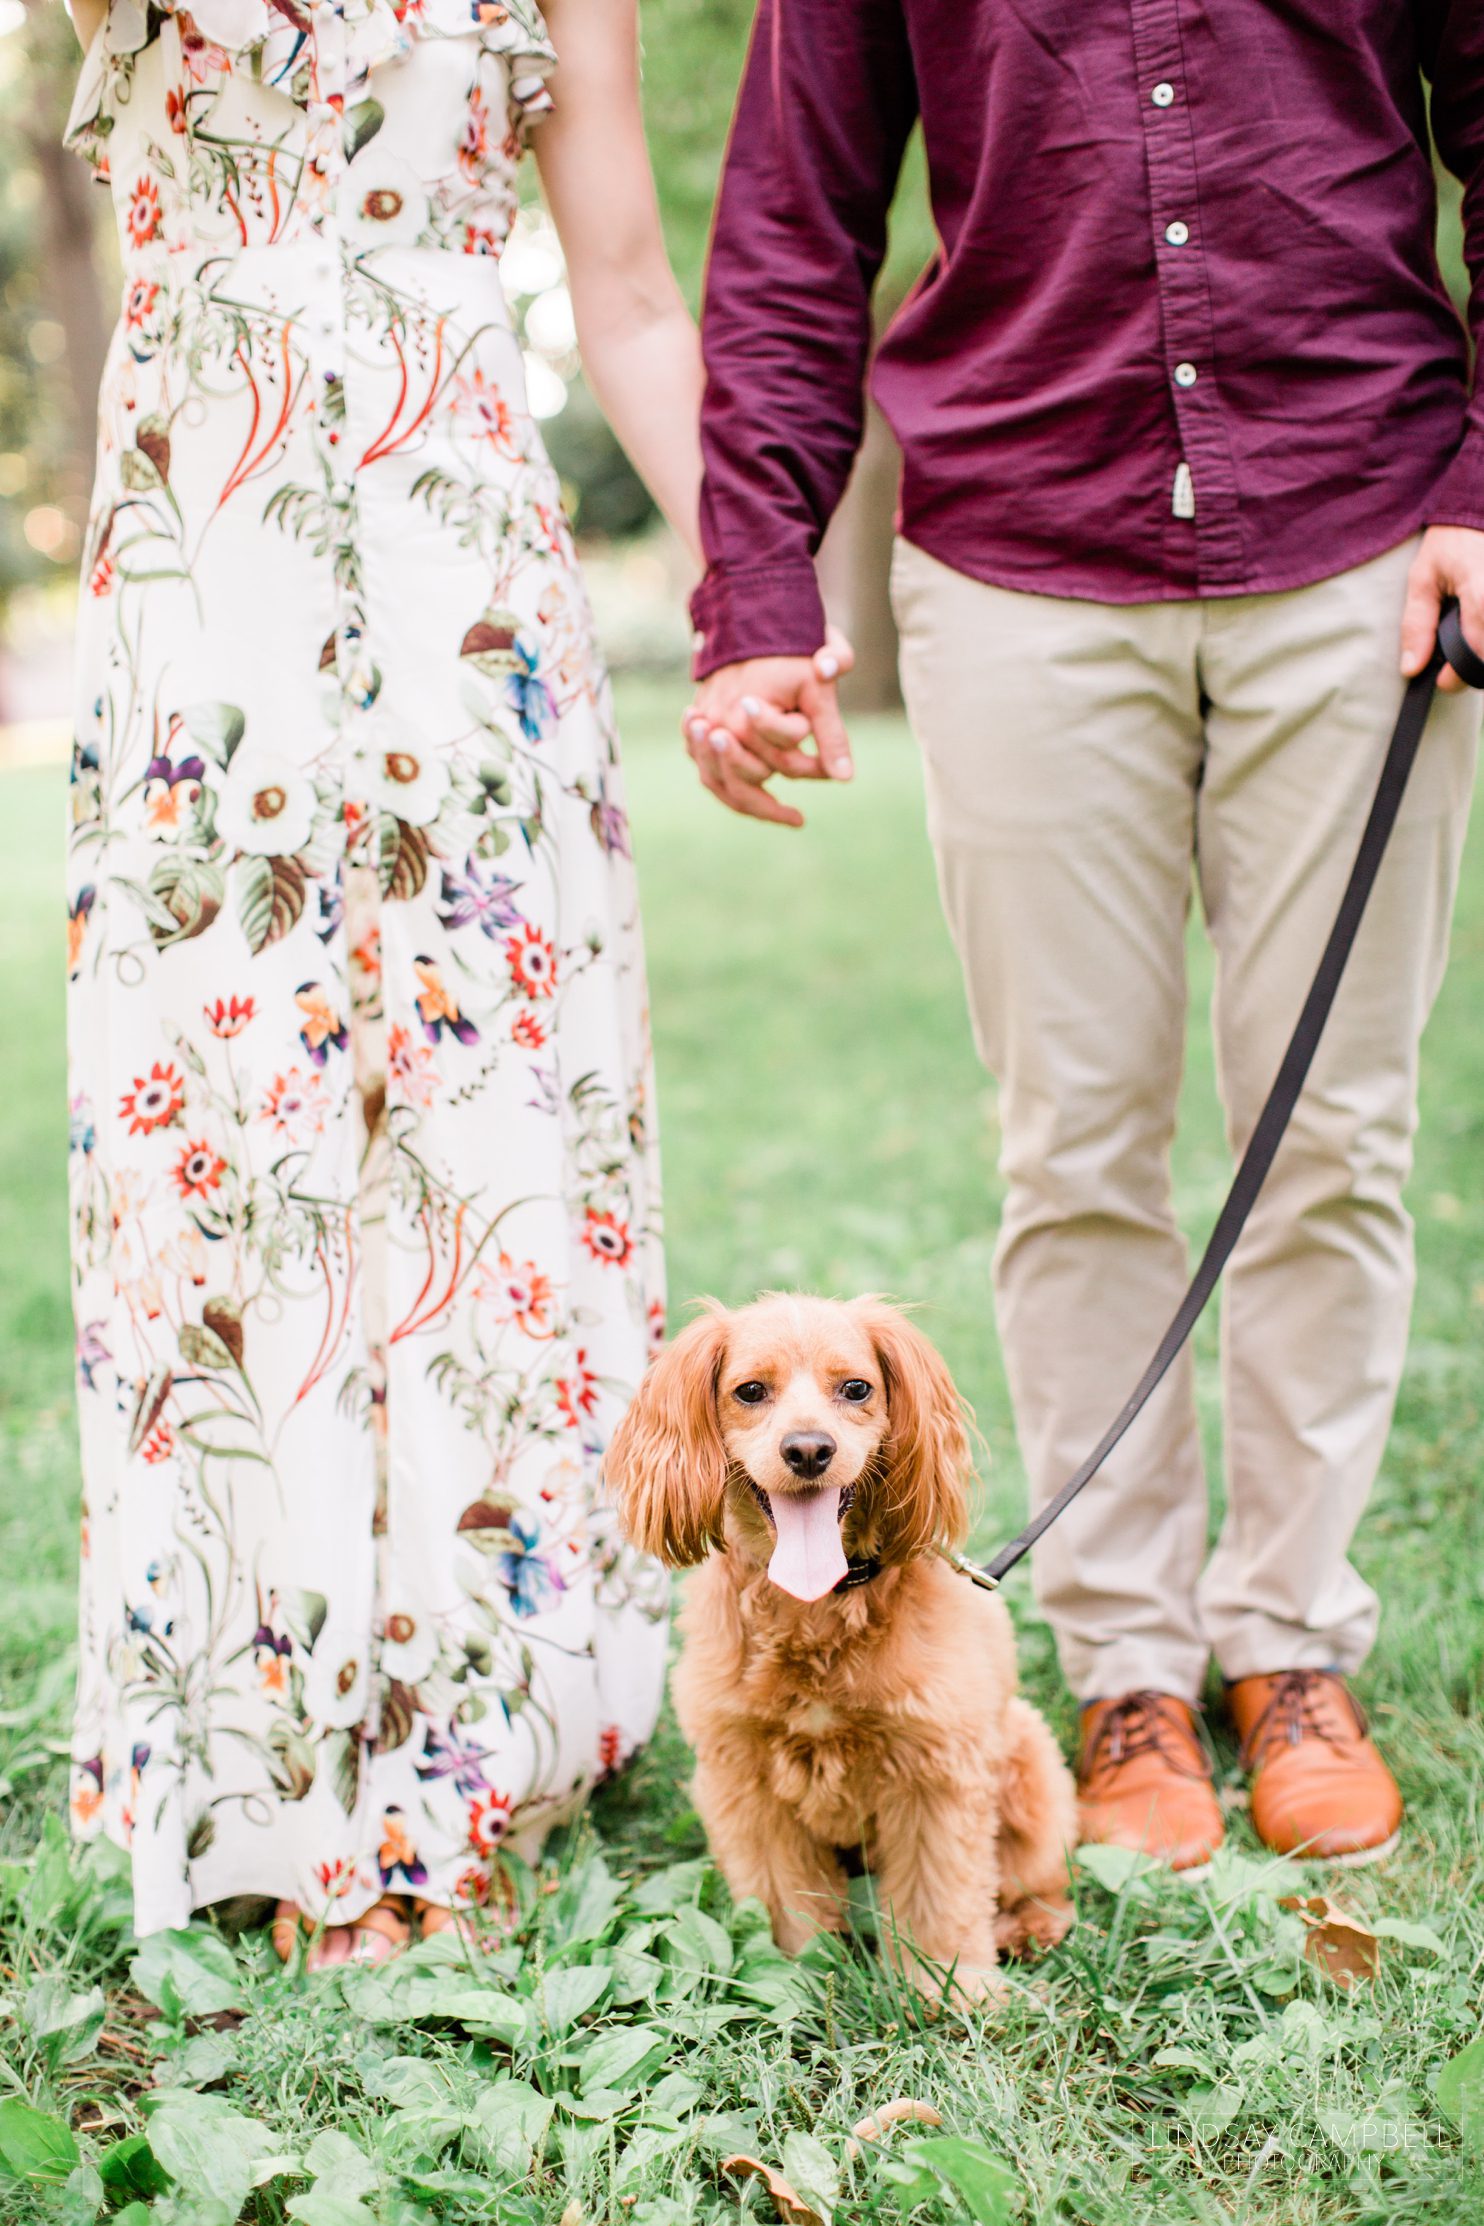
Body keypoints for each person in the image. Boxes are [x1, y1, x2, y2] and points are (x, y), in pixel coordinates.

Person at [683, 0, 1484, 1871]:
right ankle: (1127, 1665)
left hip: (1364, 525)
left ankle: (1287, 1646)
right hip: (1021, 550)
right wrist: (754, 592)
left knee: (1338, 1132)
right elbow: (795, 217)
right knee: (1074, 1146)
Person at [60, 0, 728, 1963]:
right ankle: (277, 1751)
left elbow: (623, 286)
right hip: (220, 585)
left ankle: (483, 1740)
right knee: (245, 1144)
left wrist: (755, 584)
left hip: (461, 573)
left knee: (474, 1135)